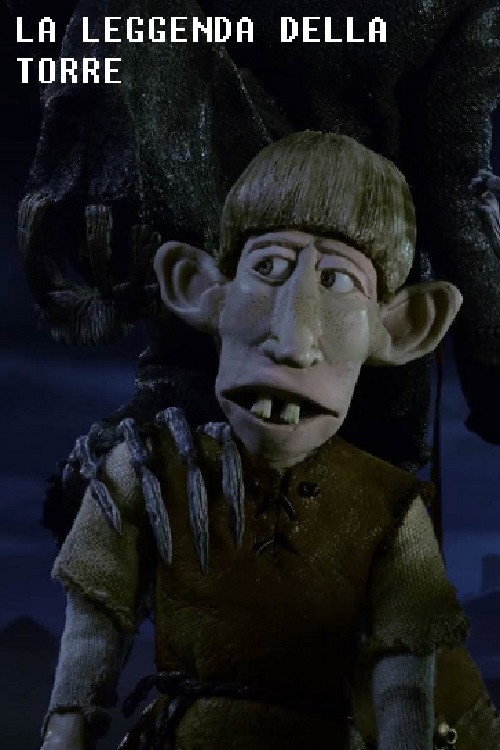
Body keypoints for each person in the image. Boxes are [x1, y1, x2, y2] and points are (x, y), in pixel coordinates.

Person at [40, 132, 499, 750]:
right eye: (269, 268)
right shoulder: (147, 470)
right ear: (196, 286)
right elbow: (94, 628)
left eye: (338, 282)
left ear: (405, 327)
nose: (291, 340)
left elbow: (404, 680)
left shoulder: (388, 509)